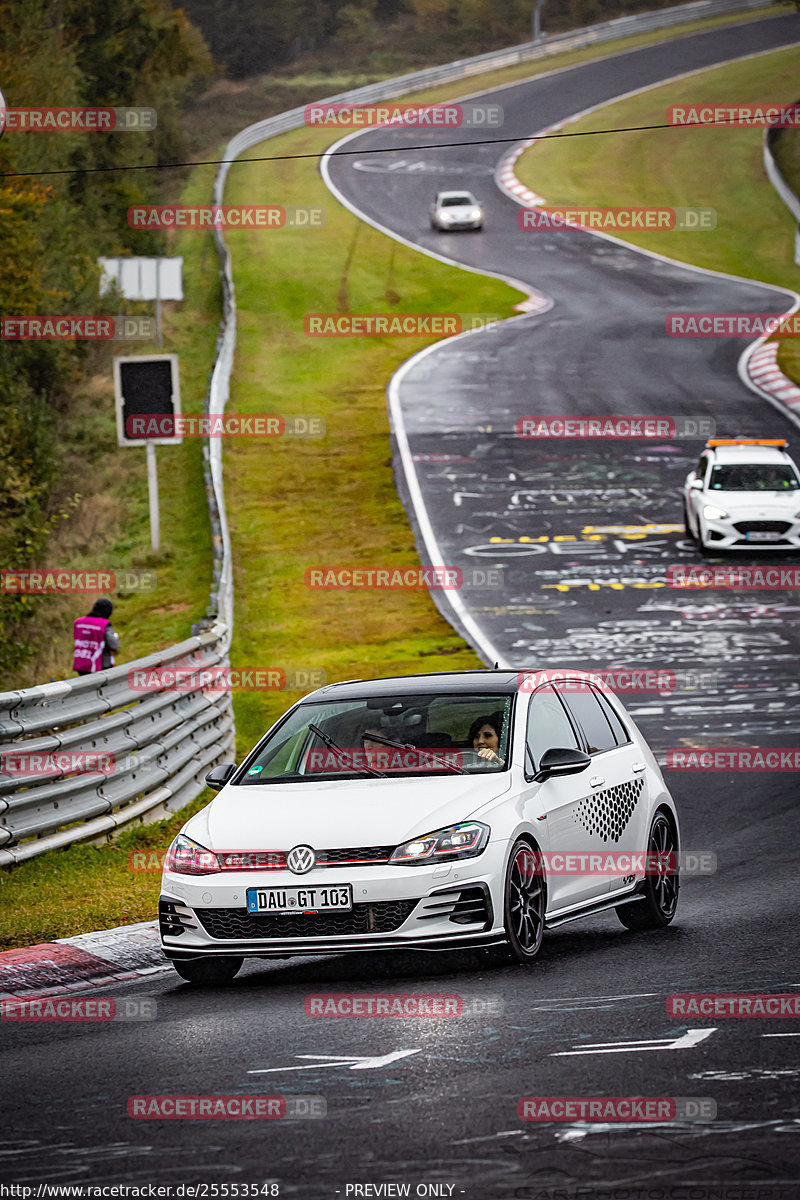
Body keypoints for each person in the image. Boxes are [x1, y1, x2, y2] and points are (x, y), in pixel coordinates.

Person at [73, 598, 119, 675]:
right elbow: (114, 645)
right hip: (100, 665)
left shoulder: (79, 622)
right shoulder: (104, 624)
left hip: (82, 664)